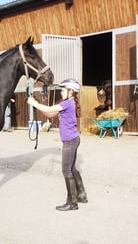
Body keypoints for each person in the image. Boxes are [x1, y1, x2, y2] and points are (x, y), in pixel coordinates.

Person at [27, 78, 88, 211]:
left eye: (63, 90)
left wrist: (34, 103)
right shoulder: (67, 102)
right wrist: (36, 104)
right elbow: (50, 113)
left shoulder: (67, 103)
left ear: (71, 91)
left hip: (70, 141)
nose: (61, 92)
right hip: (73, 139)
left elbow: (49, 108)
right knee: (72, 169)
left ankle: (72, 203)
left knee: (66, 170)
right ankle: (81, 195)